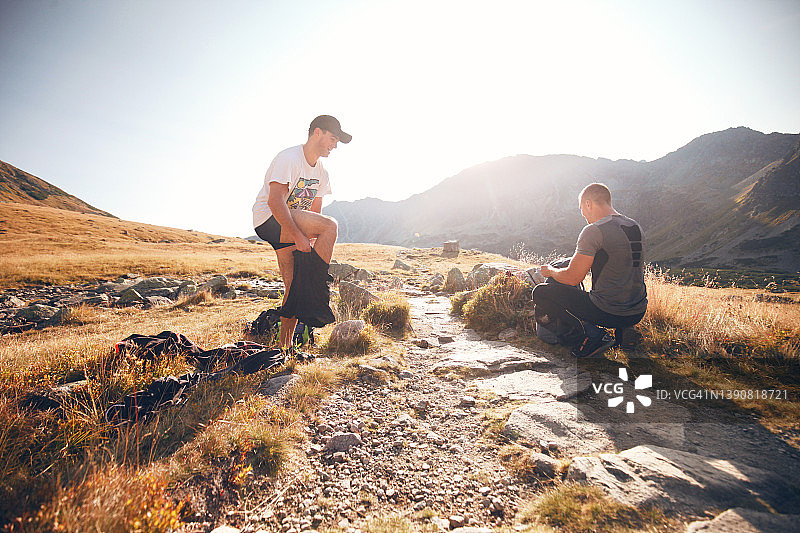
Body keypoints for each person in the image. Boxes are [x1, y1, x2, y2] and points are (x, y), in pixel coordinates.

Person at [252, 115, 351, 354]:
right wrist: (298, 236)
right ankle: (317, 288)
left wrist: (309, 242)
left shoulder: (323, 173)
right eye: (333, 138)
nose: (335, 145)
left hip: (290, 224)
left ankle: (283, 349)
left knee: (294, 287)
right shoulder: (289, 158)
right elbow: (276, 201)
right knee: (331, 226)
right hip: (269, 218)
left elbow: (314, 213)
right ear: (317, 132)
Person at [533, 183, 647, 358]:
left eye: (581, 209)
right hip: (637, 311)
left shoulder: (594, 230)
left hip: (607, 311)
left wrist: (550, 271)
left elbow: (572, 278)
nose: (583, 215)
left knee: (541, 293)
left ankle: (593, 334)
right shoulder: (635, 226)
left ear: (588, 204)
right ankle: (625, 331)